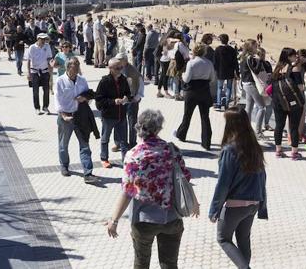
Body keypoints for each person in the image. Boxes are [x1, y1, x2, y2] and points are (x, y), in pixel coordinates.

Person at [106, 109, 197, 269]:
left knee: (141, 264)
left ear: (138, 128)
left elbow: (128, 192)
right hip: (172, 218)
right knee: (169, 264)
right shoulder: (172, 150)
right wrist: (194, 203)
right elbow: (185, 178)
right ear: (159, 128)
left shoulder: (133, 155)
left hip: (143, 221)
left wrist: (114, 221)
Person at [209, 106, 268, 269]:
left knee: (223, 239)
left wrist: (214, 209)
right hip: (253, 203)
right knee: (243, 240)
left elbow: (223, 184)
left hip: (235, 206)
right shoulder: (255, 146)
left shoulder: (230, 150)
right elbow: (263, 177)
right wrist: (262, 204)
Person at [55, 57, 98, 183]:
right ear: (68, 67)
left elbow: (89, 94)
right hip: (65, 117)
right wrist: (63, 115)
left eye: (78, 66)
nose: (76, 69)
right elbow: (57, 100)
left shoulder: (82, 80)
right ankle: (64, 165)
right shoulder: (60, 81)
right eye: (74, 67)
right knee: (63, 144)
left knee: (85, 145)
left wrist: (84, 98)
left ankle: (88, 173)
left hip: (80, 117)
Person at [175, 43, 216, 150]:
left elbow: (187, 79)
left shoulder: (191, 63)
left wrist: (183, 75)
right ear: (204, 52)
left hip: (192, 91)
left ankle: (182, 135)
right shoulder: (209, 63)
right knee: (205, 117)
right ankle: (206, 142)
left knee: (187, 115)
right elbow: (212, 79)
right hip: (204, 91)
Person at [96, 58, 131, 168]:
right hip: (108, 116)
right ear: (110, 68)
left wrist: (126, 98)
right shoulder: (104, 82)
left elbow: (128, 94)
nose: (120, 70)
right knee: (105, 138)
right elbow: (99, 101)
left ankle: (125, 160)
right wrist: (113, 101)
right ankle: (104, 158)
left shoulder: (123, 79)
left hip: (121, 115)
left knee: (124, 141)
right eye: (117, 68)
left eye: (121, 67)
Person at [271, 48, 305, 160]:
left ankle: (278, 151)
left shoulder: (277, 68)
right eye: (294, 55)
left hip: (278, 101)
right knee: (293, 126)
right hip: (293, 103)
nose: (296, 57)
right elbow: (300, 87)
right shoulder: (294, 69)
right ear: (289, 57)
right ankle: (294, 153)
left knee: (279, 126)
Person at [115, 53, 144, 152]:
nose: (117, 61)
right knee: (119, 122)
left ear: (125, 60)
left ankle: (132, 143)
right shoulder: (115, 69)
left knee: (132, 123)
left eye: (119, 59)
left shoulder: (134, 71)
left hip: (131, 101)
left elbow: (141, 84)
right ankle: (119, 143)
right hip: (119, 101)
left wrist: (137, 97)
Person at [26, 33, 53, 115]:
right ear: (38, 39)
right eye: (42, 39)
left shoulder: (47, 46)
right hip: (35, 71)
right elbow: (28, 60)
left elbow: (49, 58)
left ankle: (45, 107)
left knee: (46, 90)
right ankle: (37, 107)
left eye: (45, 39)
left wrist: (51, 67)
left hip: (45, 71)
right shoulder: (32, 47)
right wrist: (28, 73)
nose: (44, 40)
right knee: (35, 91)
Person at [214, 34, 239, 110]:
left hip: (221, 71)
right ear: (227, 40)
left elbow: (215, 62)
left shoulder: (217, 49)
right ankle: (227, 104)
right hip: (230, 71)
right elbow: (235, 62)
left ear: (221, 40)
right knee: (229, 88)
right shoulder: (232, 50)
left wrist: (215, 70)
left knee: (219, 88)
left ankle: (218, 104)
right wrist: (237, 72)